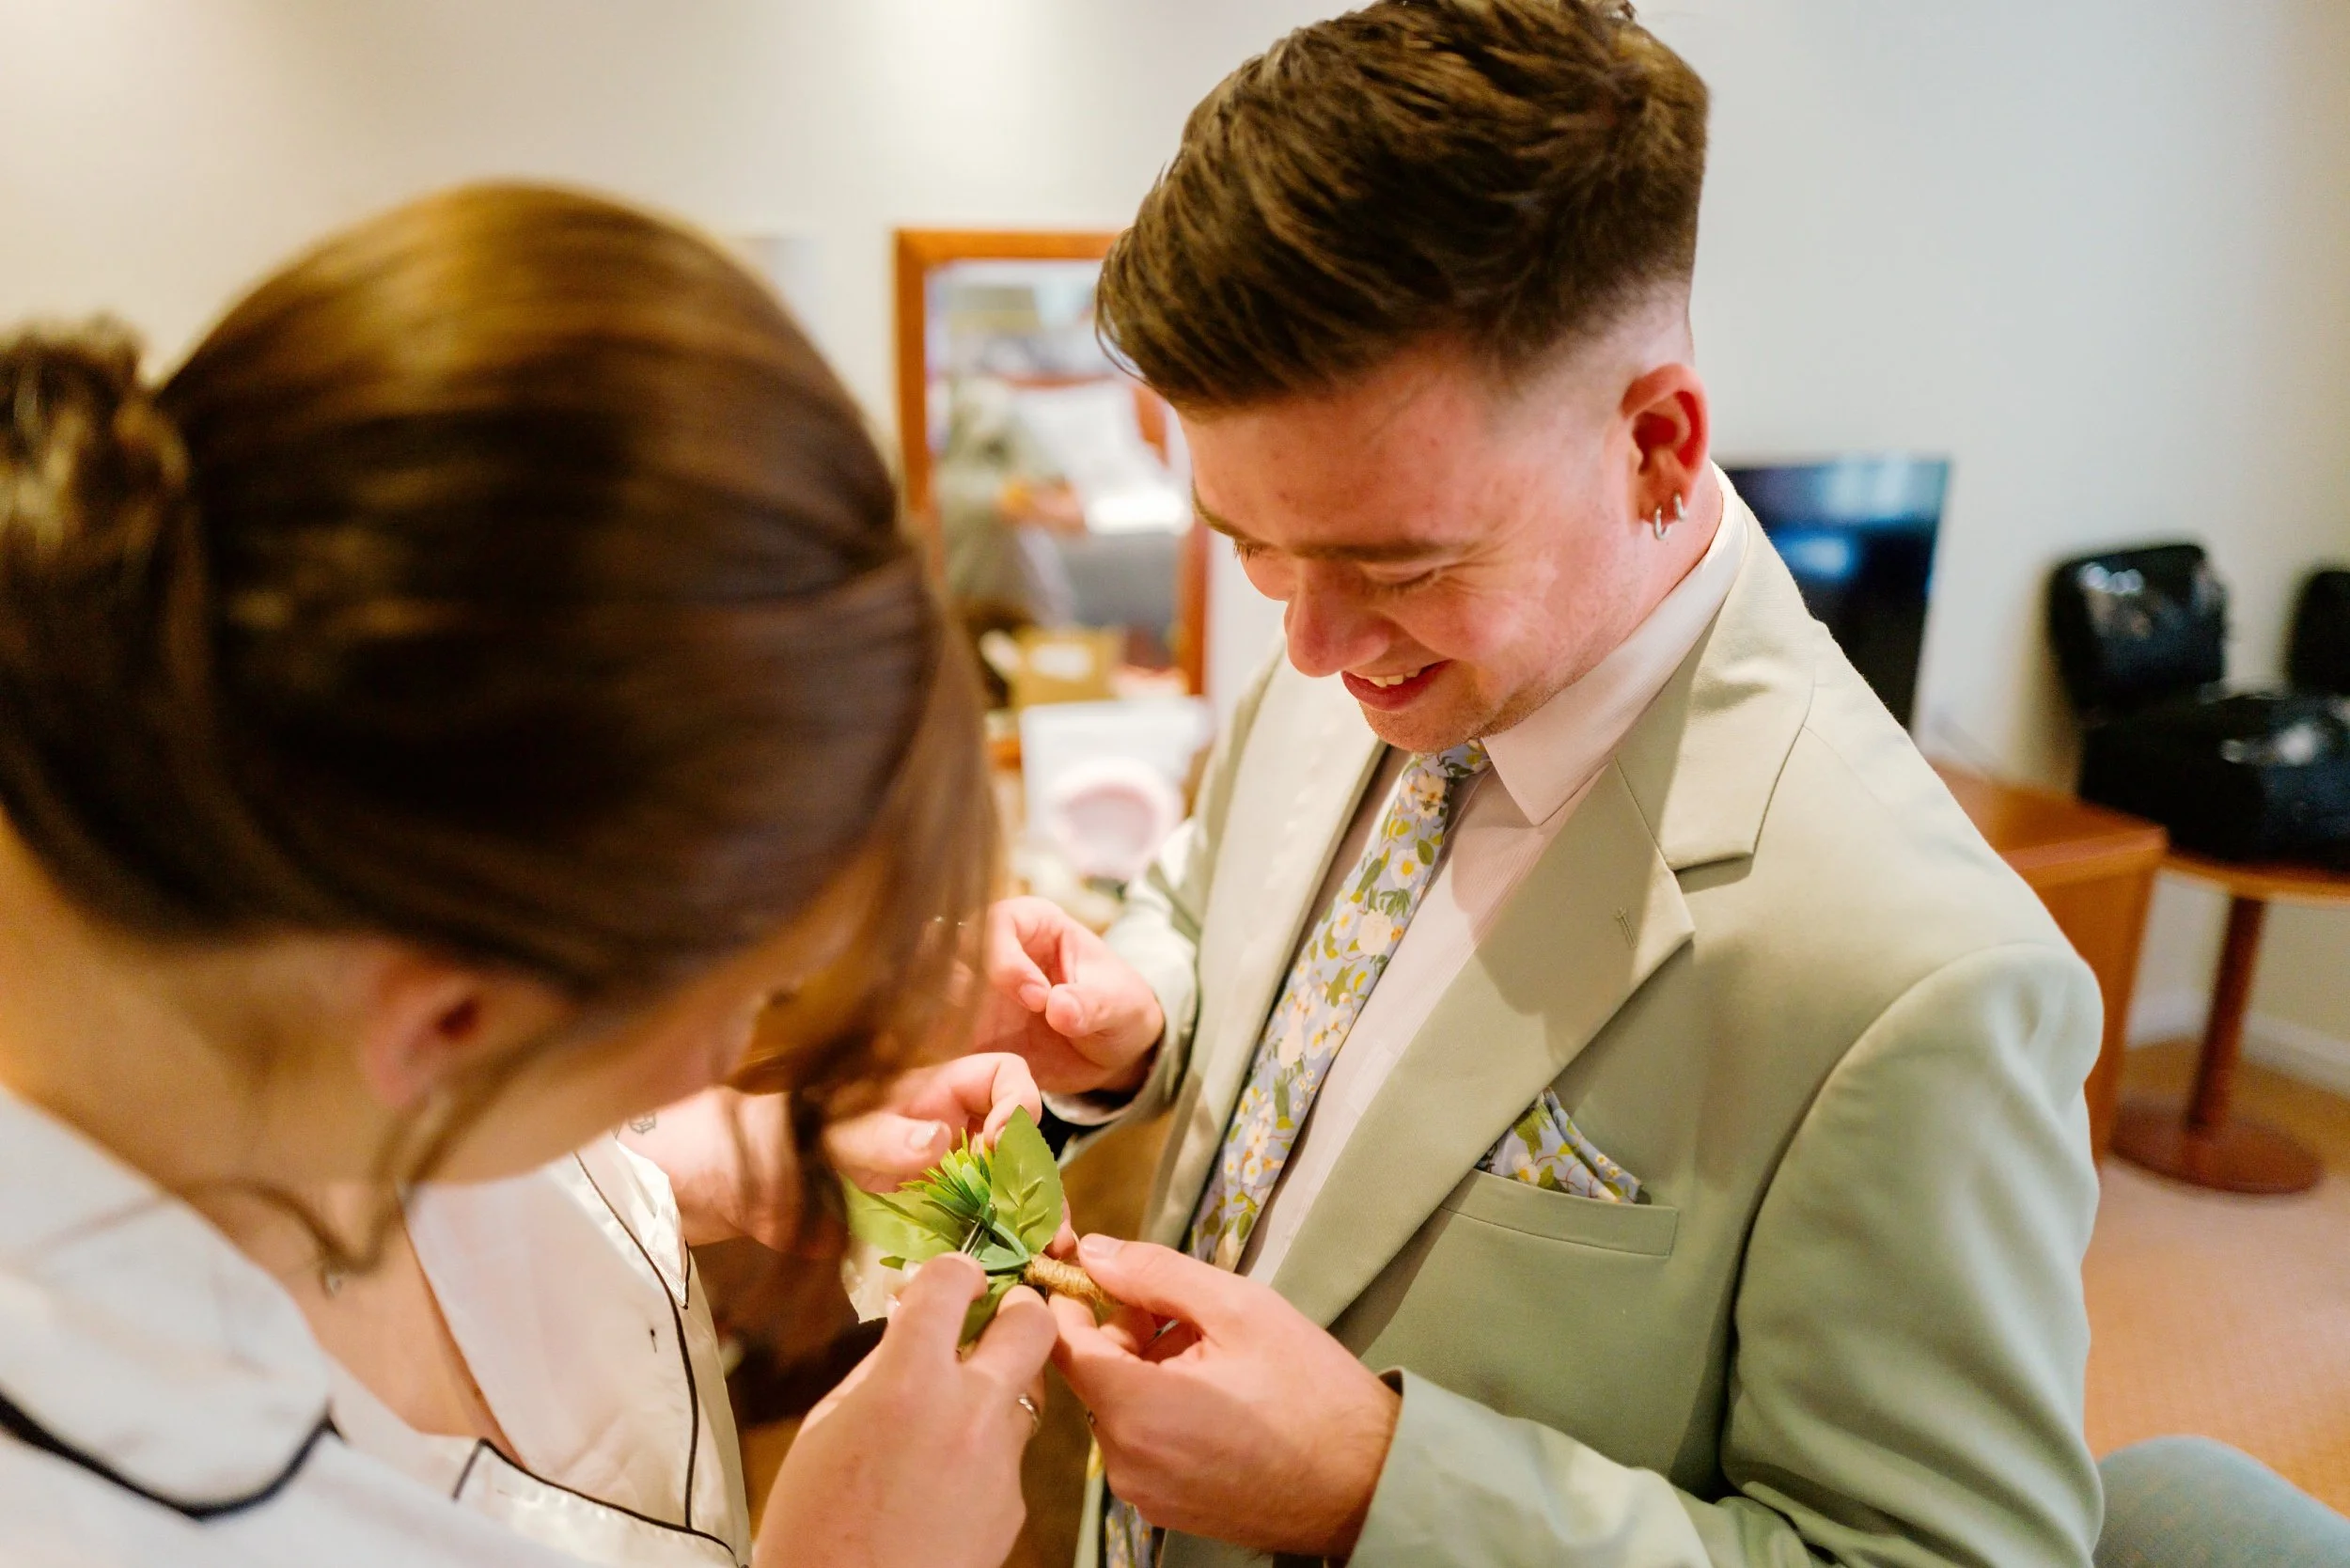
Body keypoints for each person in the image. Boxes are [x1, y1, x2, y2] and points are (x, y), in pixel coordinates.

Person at [977, 5, 2107, 1564]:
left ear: (1654, 444)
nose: (1307, 648)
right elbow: (1210, 895)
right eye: (1250, 548)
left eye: (1400, 564)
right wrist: (1141, 1013)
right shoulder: (1364, 628)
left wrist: (1378, 1487)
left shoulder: (1922, 982)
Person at [0, 185, 1057, 1568]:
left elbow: (454, 1168)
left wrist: (675, 1164)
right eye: (749, 998)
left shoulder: (272, 910)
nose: (744, 1054)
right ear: (445, 1023)